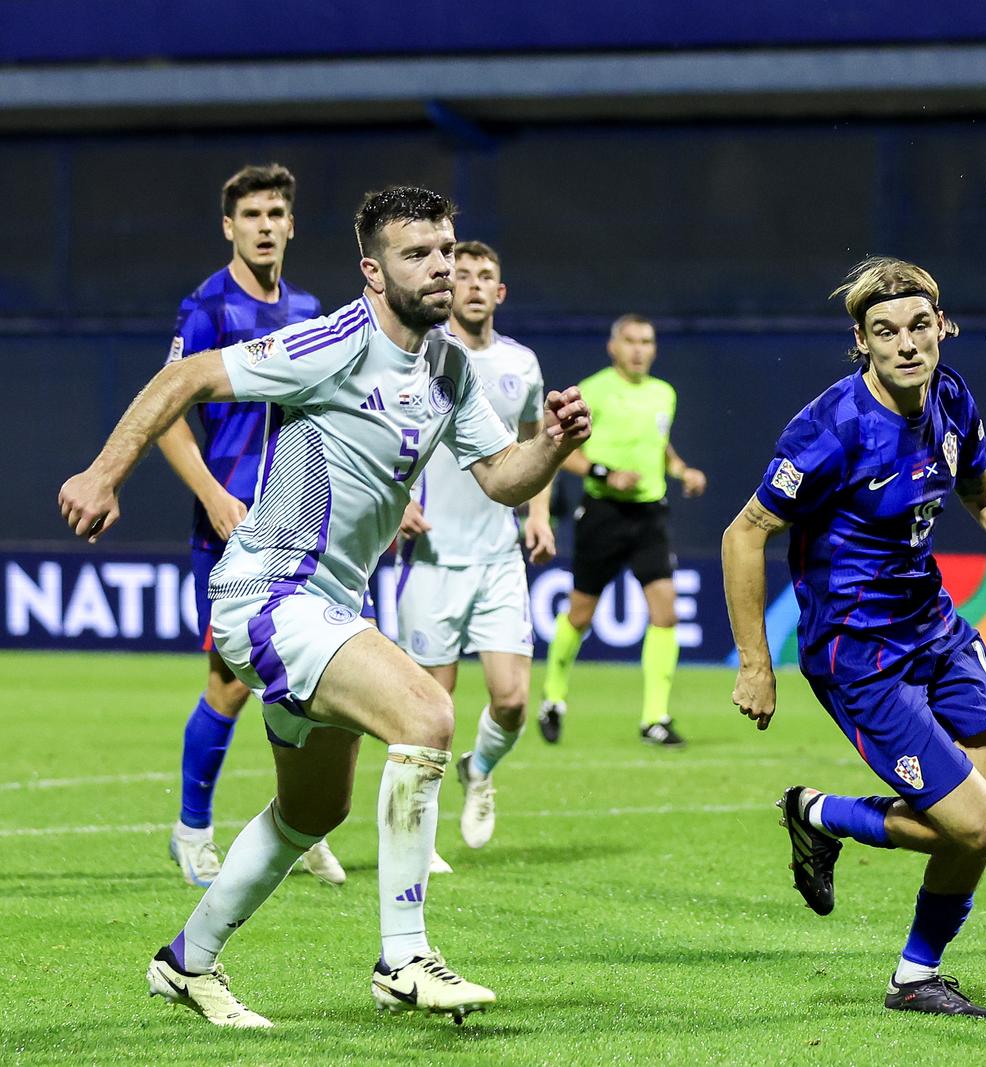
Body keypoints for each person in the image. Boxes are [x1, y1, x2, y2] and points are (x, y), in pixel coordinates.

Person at [59, 186, 591, 1027]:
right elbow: (189, 376)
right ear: (373, 272)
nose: (442, 265)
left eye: (446, 249)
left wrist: (552, 446)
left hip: (329, 603)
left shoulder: (448, 366)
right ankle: (405, 957)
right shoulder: (336, 342)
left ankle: (186, 962)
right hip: (270, 593)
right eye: (419, 254)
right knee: (427, 711)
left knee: (316, 809)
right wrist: (104, 472)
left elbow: (499, 477)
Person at [723, 257, 986, 1017]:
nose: (906, 345)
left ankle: (912, 971)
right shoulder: (830, 430)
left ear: (942, 326)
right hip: (859, 654)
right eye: (884, 332)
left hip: (934, 627)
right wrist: (754, 663)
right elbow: (745, 534)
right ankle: (822, 817)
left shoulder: (953, 399)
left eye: (917, 326)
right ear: (861, 343)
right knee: (975, 824)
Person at [157, 164, 346, 888]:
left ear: (292, 226)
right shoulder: (207, 306)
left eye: (276, 213)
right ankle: (192, 829)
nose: (265, 225)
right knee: (231, 682)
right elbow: (168, 410)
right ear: (228, 226)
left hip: (299, 519)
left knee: (318, 677)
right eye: (252, 215)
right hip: (231, 520)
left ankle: (301, 823)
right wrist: (210, 493)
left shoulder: (307, 307)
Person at [395, 240, 553, 856]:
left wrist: (538, 511)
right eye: (463, 276)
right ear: (448, 287)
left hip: (499, 557)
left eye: (487, 276)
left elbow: (535, 437)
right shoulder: (424, 357)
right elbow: (390, 435)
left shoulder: (523, 363)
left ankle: (480, 769)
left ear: (501, 291)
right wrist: (398, 498)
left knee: (512, 700)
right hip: (434, 559)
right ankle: (421, 838)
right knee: (433, 710)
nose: (476, 286)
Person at [537, 314, 706, 747]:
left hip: (649, 515)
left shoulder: (663, 394)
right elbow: (562, 451)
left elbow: (661, 446)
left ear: (654, 348)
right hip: (603, 513)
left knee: (666, 611)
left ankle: (655, 719)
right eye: (629, 341)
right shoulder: (591, 391)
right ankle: (553, 698)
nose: (638, 349)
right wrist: (604, 472)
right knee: (580, 614)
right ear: (613, 347)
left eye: (646, 341)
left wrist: (682, 469)